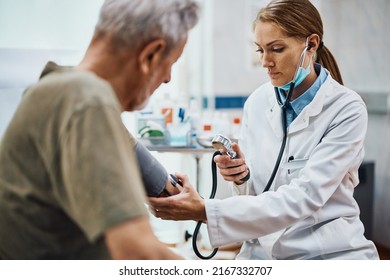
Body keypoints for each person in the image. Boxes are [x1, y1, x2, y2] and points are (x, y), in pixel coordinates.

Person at [149, 0, 379, 260]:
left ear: (311, 44)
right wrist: (242, 177)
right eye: (260, 50)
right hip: (261, 253)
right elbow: (257, 193)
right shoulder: (258, 102)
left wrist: (204, 210)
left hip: (326, 254)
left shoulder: (346, 108)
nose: (266, 62)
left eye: (277, 49)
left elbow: (305, 197)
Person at [0, 0, 199, 259]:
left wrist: (167, 187)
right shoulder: (86, 100)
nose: (167, 78)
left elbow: (124, 146)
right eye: (170, 62)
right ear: (150, 55)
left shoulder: (57, 88)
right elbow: (138, 252)